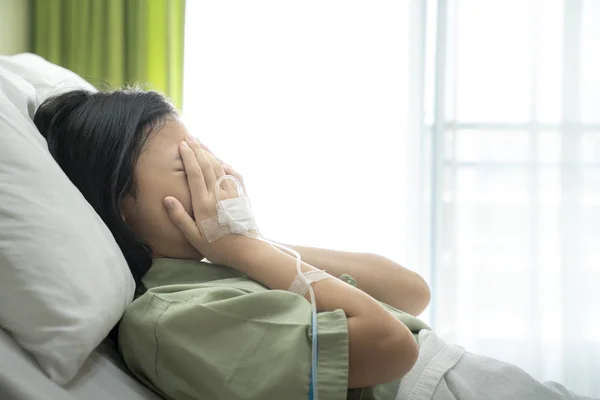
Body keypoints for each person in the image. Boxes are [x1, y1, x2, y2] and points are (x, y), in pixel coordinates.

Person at [33, 89, 596, 400]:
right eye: (187, 162)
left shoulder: (222, 266)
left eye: (206, 151)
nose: (216, 169)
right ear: (120, 202)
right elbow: (392, 347)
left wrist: (249, 242)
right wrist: (247, 252)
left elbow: (410, 290)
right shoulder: (168, 319)